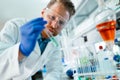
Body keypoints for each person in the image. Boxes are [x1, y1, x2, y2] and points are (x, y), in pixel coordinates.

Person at [0, 0, 75, 80]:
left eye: (61, 22)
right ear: (43, 13)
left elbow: (54, 69)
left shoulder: (55, 42)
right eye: (52, 17)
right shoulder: (14, 26)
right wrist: (21, 51)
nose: (54, 25)